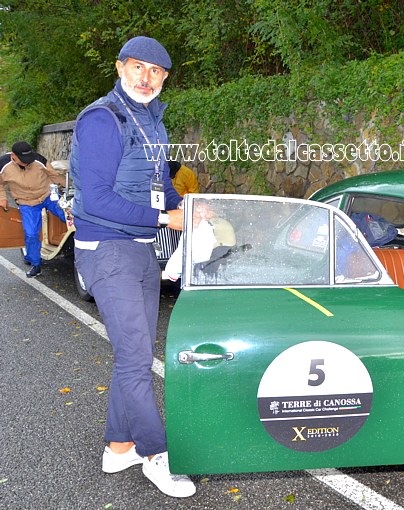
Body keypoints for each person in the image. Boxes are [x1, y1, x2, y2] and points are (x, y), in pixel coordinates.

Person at [68, 36, 195, 498]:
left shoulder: (152, 121)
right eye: (138, 67)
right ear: (120, 67)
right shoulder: (103, 118)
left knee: (134, 357)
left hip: (141, 248)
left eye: (156, 71)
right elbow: (96, 199)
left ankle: (119, 448)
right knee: (138, 358)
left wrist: (192, 209)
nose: (146, 77)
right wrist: (167, 218)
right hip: (107, 249)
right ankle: (155, 454)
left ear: (165, 78)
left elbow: (159, 182)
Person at [0, 141, 67, 277]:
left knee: (66, 214)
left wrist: (71, 187)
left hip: (47, 195)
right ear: (13, 156)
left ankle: (83, 242)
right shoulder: (3, 165)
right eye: (24, 161)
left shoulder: (38, 159)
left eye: (29, 159)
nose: (28, 163)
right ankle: (35, 264)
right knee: (30, 234)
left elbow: (54, 175)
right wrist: (2, 198)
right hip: (26, 201)